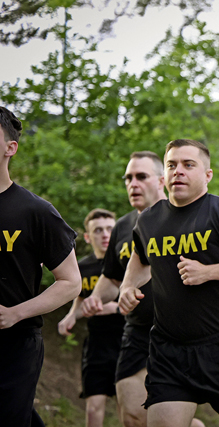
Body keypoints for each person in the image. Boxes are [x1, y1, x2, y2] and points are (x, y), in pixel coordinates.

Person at [118, 139, 219, 427]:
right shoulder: (149, 220)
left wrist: (208, 272)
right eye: (172, 165)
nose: (178, 171)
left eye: (188, 165)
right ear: (165, 175)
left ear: (207, 175)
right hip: (168, 350)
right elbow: (140, 258)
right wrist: (128, 287)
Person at [0, 106, 82, 426]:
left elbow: (71, 282)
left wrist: (15, 313)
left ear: (10, 148)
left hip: (14, 345)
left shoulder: (35, 211)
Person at [81, 151, 166, 427]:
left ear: (162, 180)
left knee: (163, 420)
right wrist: (95, 298)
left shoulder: (182, 219)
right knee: (131, 416)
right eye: (128, 178)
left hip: (176, 333)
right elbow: (112, 278)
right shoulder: (123, 226)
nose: (133, 184)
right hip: (136, 332)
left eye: (141, 177)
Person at [58, 208, 125, 427]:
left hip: (128, 342)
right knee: (93, 407)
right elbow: (81, 297)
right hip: (97, 345)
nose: (105, 234)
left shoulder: (127, 263)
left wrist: (115, 308)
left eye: (110, 229)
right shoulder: (82, 267)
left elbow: (148, 301)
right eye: (98, 230)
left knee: (130, 411)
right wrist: (71, 317)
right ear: (87, 236)